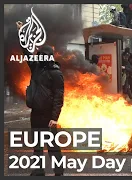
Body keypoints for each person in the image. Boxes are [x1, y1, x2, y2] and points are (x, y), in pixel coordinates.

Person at [17, 21, 64, 176]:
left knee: (52, 146)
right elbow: (26, 51)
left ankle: (59, 172)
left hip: (48, 115)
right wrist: (22, 32)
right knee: (37, 145)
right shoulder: (36, 67)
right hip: (36, 113)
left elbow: (59, 96)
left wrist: (54, 118)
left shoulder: (56, 73)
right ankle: (38, 170)